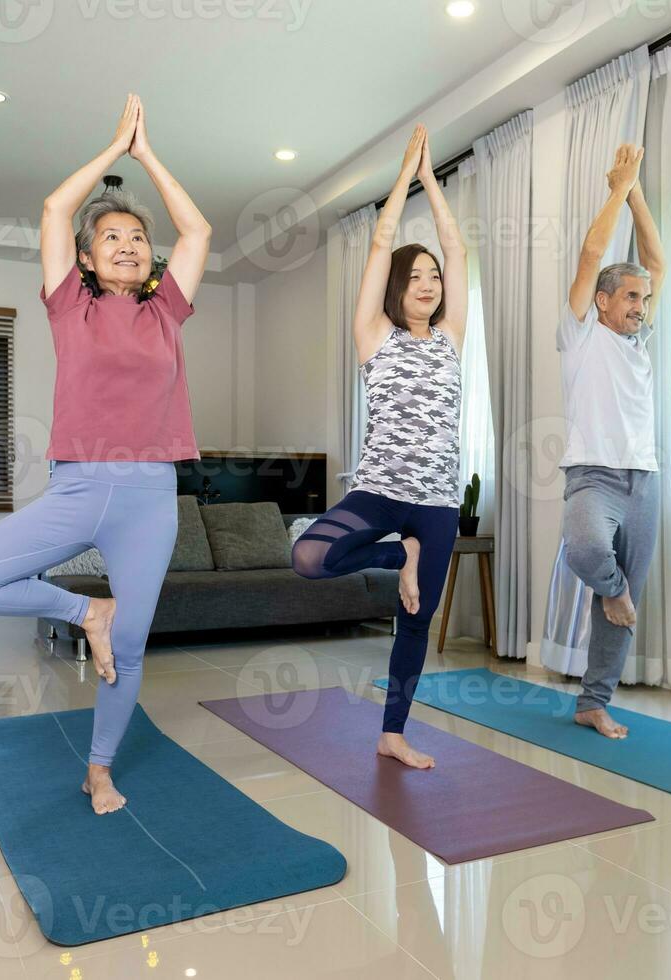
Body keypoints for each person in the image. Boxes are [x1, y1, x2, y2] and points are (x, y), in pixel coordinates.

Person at [0, 94, 211, 813]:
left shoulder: (167, 311)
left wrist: (148, 156)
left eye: (136, 238)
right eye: (111, 237)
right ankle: (85, 614)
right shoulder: (70, 307)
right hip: (79, 487)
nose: (126, 244)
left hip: (151, 497)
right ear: (86, 259)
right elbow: (58, 208)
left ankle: (100, 767)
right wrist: (114, 146)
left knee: (135, 644)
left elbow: (198, 228)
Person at [291, 125, 467, 770]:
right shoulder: (375, 336)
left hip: (438, 501)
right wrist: (402, 182)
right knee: (309, 555)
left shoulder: (450, 338)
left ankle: (392, 733)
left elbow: (457, 248)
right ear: (396, 287)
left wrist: (434, 186)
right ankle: (403, 554)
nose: (428, 284)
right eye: (416, 277)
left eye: (434, 278)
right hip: (379, 492)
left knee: (415, 623)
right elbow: (379, 244)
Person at [559, 143, 666, 740]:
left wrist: (638, 190)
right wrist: (616, 191)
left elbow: (654, 258)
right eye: (631, 297)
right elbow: (593, 252)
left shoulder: (640, 344)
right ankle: (615, 593)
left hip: (643, 481)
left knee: (622, 601)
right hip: (593, 477)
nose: (640, 308)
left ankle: (593, 702)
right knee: (586, 552)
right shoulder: (579, 335)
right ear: (602, 301)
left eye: (644, 300)